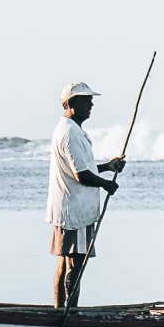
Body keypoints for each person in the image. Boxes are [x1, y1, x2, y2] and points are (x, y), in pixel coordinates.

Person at [48, 81, 126, 309]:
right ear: (71, 104)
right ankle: (68, 314)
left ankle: (59, 310)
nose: (91, 104)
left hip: (70, 209)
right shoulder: (69, 133)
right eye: (85, 100)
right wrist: (106, 185)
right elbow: (81, 175)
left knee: (65, 262)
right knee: (75, 265)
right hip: (76, 212)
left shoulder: (71, 130)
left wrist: (107, 167)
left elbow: (82, 168)